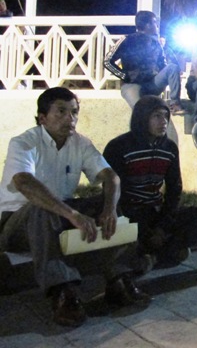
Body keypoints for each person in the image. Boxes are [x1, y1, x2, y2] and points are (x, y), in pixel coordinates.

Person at [0, 88, 149, 327]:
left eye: (74, 112)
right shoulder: (24, 142)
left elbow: (111, 177)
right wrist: (72, 214)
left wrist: (109, 209)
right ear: (42, 118)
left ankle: (119, 279)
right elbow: (23, 182)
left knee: (105, 201)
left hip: (60, 215)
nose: (70, 118)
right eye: (61, 111)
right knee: (41, 208)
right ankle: (63, 293)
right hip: (17, 222)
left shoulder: (80, 142)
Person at [103, 96, 197, 268]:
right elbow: (113, 191)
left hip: (157, 212)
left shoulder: (169, 148)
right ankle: (162, 252)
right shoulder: (119, 147)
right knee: (131, 231)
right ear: (142, 118)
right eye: (156, 116)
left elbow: (174, 189)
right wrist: (148, 229)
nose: (163, 121)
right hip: (130, 213)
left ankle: (153, 257)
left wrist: (162, 227)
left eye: (165, 116)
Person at [104, 10, 184, 114]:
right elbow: (107, 61)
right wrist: (124, 76)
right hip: (132, 85)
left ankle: (175, 104)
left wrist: (174, 76)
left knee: (172, 67)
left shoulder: (156, 44)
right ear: (148, 25)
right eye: (154, 22)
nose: (157, 26)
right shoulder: (127, 40)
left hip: (152, 84)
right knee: (142, 112)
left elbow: (163, 66)